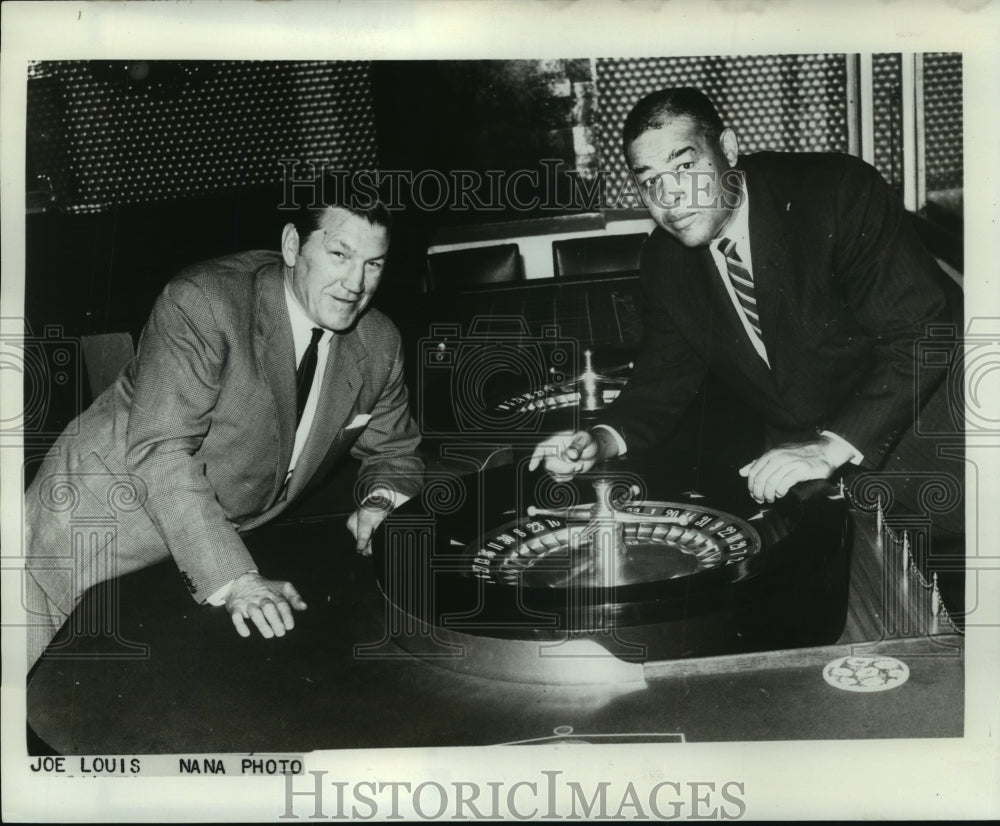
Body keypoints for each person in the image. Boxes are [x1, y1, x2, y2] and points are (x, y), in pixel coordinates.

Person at [530, 87, 963, 556]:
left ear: (729, 150)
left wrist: (832, 446)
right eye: (649, 180)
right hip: (806, 475)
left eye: (684, 167)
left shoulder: (834, 192)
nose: (670, 197)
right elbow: (662, 380)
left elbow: (924, 332)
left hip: (931, 444)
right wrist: (598, 439)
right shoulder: (664, 258)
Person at [24, 190, 424, 670]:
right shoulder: (205, 302)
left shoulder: (378, 342)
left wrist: (381, 501)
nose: (356, 283)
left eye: (374, 264)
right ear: (294, 246)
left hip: (207, 532)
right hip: (101, 514)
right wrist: (236, 579)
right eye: (340, 255)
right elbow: (161, 450)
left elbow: (395, 453)